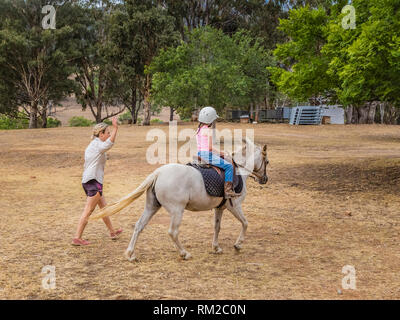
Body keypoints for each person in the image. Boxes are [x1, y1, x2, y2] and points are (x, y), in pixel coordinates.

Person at [72, 116, 123, 246]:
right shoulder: (97, 145)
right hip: (93, 181)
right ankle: (77, 238)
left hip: (92, 180)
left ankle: (112, 232)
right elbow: (108, 144)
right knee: (88, 210)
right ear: (101, 134)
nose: (109, 134)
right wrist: (116, 128)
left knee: (103, 208)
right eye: (107, 133)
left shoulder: (95, 144)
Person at [196, 106, 240, 198]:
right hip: (207, 155)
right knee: (229, 166)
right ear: (211, 120)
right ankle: (228, 191)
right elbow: (210, 148)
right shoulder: (208, 131)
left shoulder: (198, 130)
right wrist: (222, 152)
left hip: (199, 154)